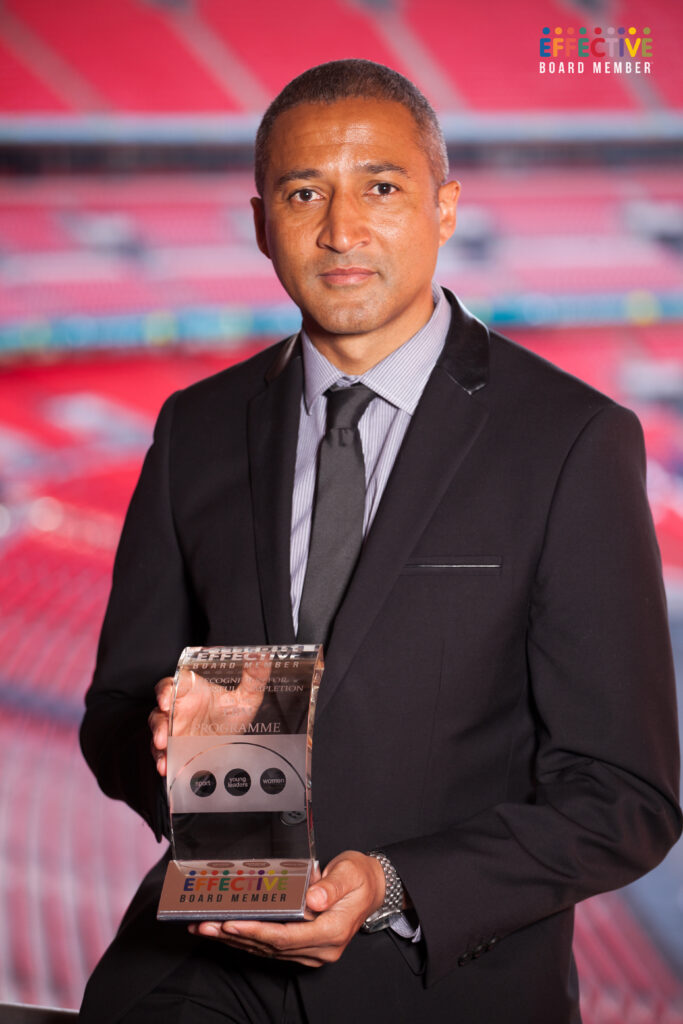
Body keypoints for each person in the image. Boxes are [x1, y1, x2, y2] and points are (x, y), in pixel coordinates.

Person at [79, 59, 681, 1024]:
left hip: (436, 982)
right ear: (259, 221)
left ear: (445, 208)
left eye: (382, 188)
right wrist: (161, 748)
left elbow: (623, 796)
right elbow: (114, 707)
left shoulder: (570, 440)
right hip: (200, 966)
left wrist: (391, 887)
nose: (341, 230)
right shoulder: (194, 427)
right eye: (303, 192)